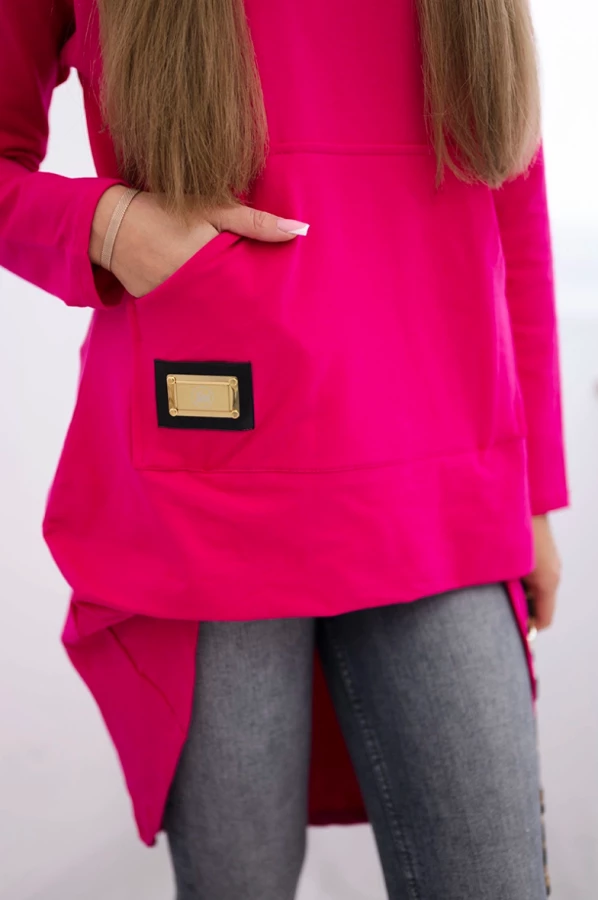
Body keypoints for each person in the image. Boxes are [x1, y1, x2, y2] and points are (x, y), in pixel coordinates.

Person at [0, 0, 567, 897]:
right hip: (206, 497)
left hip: (441, 485)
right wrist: (105, 225)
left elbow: (511, 188)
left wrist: (534, 494)